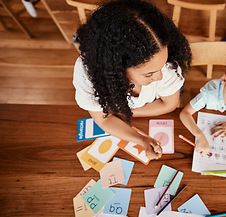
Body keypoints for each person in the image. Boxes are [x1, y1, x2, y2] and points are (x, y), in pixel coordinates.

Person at [73, 0, 191, 160]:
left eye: (160, 67)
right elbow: (103, 120)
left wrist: (123, 112)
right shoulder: (87, 73)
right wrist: (142, 139)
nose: (159, 77)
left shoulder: (168, 68)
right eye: (149, 74)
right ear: (116, 69)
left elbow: (169, 104)